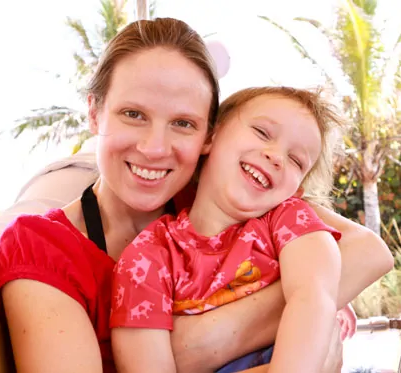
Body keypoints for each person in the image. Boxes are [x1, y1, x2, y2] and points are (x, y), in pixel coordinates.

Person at [0, 17, 393, 371]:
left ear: (210, 135)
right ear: (95, 113)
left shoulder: (233, 194)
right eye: (132, 114)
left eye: (184, 124)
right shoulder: (44, 247)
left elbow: (368, 253)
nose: (154, 148)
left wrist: (309, 303)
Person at [110, 86, 345, 373]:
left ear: (298, 190)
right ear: (211, 136)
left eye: (296, 160)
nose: (276, 157)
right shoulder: (147, 258)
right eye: (262, 132)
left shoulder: (290, 220)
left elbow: (314, 296)